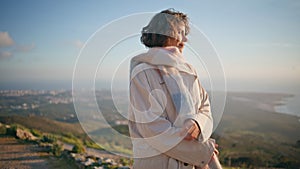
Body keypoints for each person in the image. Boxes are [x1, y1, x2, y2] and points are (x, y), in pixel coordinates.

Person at [128, 9, 222, 169]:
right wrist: (204, 152)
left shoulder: (188, 70)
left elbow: (205, 107)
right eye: (180, 32)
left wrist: (197, 124)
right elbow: (152, 129)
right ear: (163, 32)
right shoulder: (142, 72)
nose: (185, 39)